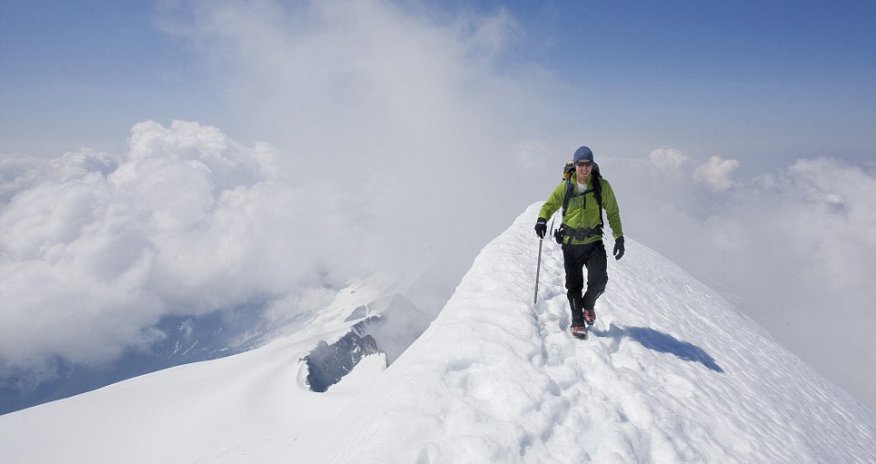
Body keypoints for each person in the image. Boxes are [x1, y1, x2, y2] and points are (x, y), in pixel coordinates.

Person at [534, 146, 624, 338]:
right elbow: (549, 205)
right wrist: (542, 220)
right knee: (574, 285)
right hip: (571, 243)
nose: (584, 168)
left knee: (599, 282)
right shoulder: (565, 187)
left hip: (593, 242)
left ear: (592, 165)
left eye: (588, 164)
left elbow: (613, 212)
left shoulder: (602, 186)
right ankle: (577, 321)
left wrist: (619, 237)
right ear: (575, 166)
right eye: (580, 164)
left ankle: (588, 305)